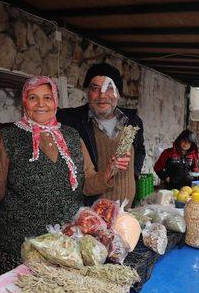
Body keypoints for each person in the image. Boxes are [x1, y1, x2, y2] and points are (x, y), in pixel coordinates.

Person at [0, 76, 131, 273]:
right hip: (24, 248)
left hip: (68, 244)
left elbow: (87, 184)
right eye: (33, 98)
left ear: (55, 102)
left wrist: (110, 170)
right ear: (24, 102)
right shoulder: (7, 137)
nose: (41, 104)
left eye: (47, 97)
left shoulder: (72, 136)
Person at [56, 63, 145, 207]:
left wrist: (134, 173)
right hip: (89, 211)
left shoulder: (132, 121)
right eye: (95, 88)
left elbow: (140, 148)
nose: (102, 95)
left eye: (109, 88)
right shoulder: (73, 121)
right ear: (88, 93)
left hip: (125, 211)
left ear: (118, 93)